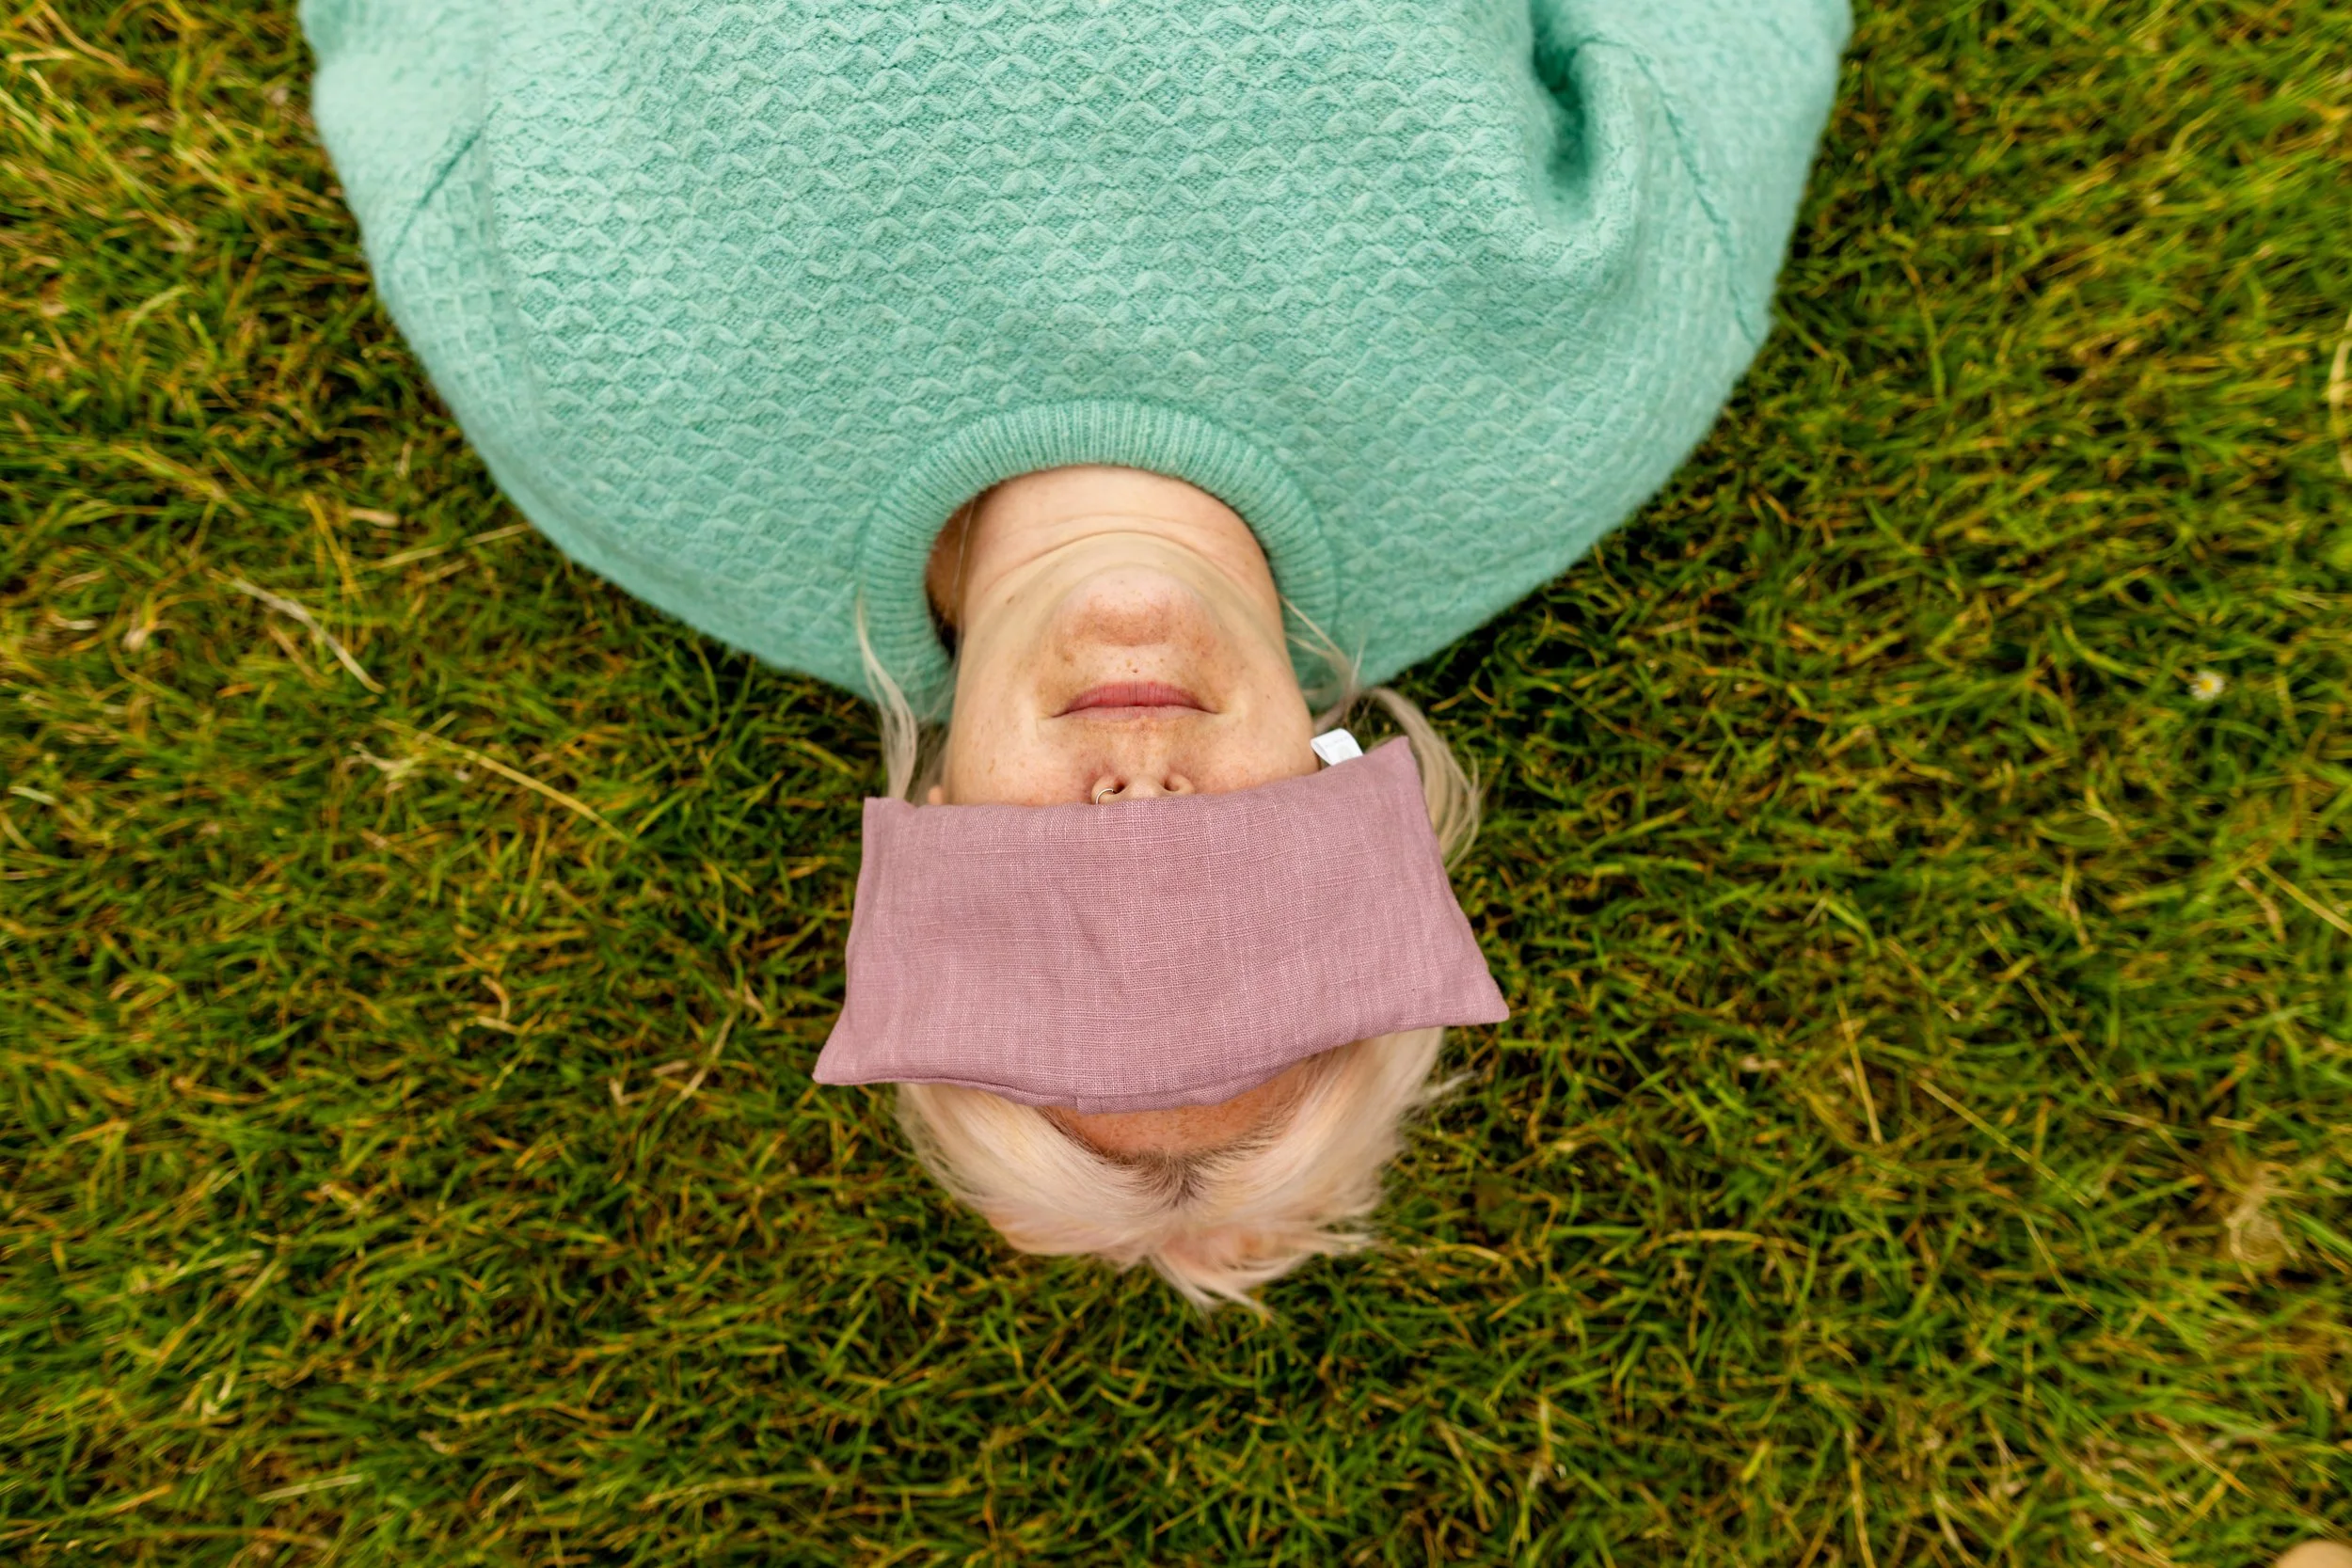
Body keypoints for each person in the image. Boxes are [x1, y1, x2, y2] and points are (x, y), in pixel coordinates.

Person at [303, 0, 1850, 1305]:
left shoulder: (630, 426)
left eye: (1074, 907)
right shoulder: (1561, 393)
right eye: (1228, 899)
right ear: (1349, 811)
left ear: (933, 843)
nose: (1143, 795)